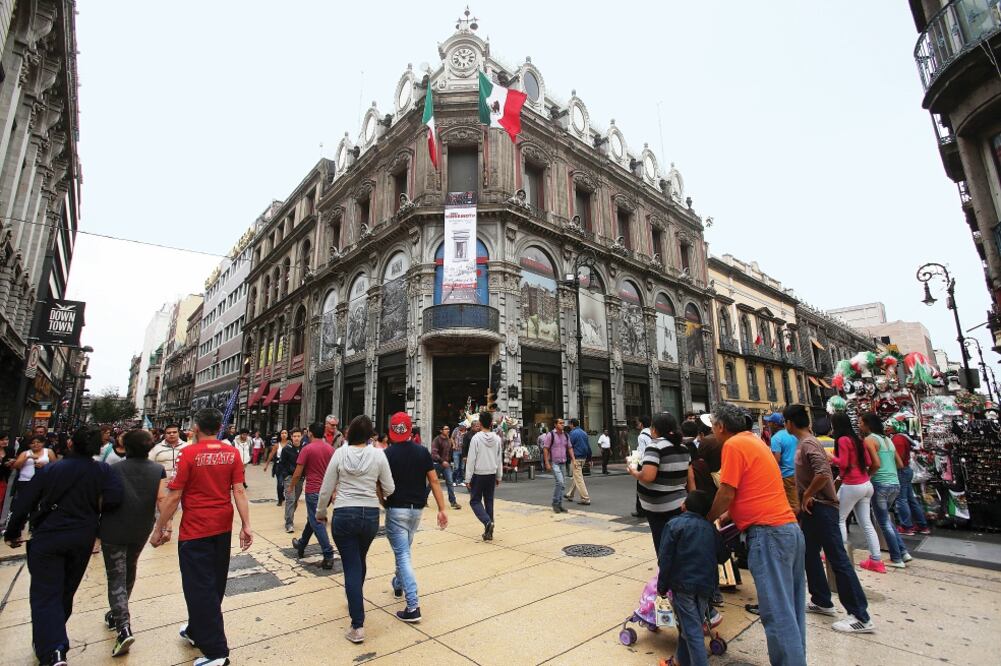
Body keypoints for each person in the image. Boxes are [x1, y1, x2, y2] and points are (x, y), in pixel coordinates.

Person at [3, 425, 123, 666]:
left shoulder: (51, 470)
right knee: (66, 590)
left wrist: (13, 532)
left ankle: (53, 650)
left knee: (45, 593)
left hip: (48, 535)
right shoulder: (103, 471)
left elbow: (25, 503)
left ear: (70, 444)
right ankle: (52, 641)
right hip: (82, 537)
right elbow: (114, 499)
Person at [149, 408, 252, 666]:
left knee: (198, 586)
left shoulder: (189, 454)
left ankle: (217, 652)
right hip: (222, 527)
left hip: (196, 529)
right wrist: (246, 525)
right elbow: (238, 490)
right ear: (220, 427)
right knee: (213, 582)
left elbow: (174, 496)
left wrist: (159, 527)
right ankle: (197, 629)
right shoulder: (231, 453)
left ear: (195, 428)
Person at [707, 403, 805, 666]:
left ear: (721, 427)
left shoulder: (733, 445)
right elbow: (749, 488)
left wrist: (707, 519)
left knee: (776, 612)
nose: (713, 431)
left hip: (768, 532)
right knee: (791, 610)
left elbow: (726, 491)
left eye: (713, 426)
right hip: (788, 530)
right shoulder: (754, 441)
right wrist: (730, 514)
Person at [785, 404, 874, 634]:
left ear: (789, 423)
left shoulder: (808, 443)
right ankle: (822, 599)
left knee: (837, 559)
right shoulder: (805, 443)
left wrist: (808, 494)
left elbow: (823, 472)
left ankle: (860, 616)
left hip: (822, 508)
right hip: (813, 511)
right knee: (808, 553)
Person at [316, 415, 395, 644]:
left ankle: (357, 624)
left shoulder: (339, 454)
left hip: (344, 513)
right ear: (371, 434)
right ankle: (355, 599)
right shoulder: (379, 455)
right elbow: (389, 487)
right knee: (359, 560)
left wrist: (321, 512)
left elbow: (326, 487)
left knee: (351, 565)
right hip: (369, 515)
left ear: (349, 433)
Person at [99, 429, 168, 656]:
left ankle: (123, 627)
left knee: (115, 575)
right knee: (130, 568)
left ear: (126, 448)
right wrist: (164, 527)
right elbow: (161, 499)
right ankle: (118, 612)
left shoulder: (112, 469)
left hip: (114, 528)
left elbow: (101, 500)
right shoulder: (158, 470)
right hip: (141, 528)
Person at [383, 412, 449, 622]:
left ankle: (413, 606)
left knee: (403, 555)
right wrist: (442, 508)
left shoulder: (387, 454)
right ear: (410, 429)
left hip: (396, 509)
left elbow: (378, 484)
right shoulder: (422, 452)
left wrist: (383, 501)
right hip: (415, 511)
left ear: (392, 432)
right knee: (404, 551)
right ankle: (398, 584)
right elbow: (435, 481)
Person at [656, 490, 728, 666]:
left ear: (683, 506)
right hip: (705, 587)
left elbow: (664, 559)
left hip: (682, 586)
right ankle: (680, 661)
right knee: (688, 625)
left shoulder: (674, 525)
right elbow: (723, 556)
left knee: (693, 630)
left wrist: (662, 586)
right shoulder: (710, 529)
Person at [829, 412, 884, 573]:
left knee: (838, 519)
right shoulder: (858, 440)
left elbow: (843, 463)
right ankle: (876, 560)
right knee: (866, 523)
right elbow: (868, 462)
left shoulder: (843, 440)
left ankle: (839, 555)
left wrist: (831, 457)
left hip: (852, 485)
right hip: (866, 484)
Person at [628, 412, 688, 553]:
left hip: (659, 508)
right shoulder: (683, 447)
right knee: (678, 542)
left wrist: (634, 472)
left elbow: (648, 476)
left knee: (662, 543)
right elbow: (689, 478)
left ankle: (666, 572)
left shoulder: (655, 447)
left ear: (655, 429)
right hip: (680, 503)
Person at [860, 413, 911, 568]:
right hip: (894, 483)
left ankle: (896, 558)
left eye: (861, 423)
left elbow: (874, 463)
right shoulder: (888, 439)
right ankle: (903, 552)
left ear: (868, 424)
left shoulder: (869, 440)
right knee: (886, 520)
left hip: (880, 483)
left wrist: (868, 476)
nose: (860, 426)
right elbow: (900, 464)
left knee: (883, 522)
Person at [290, 423, 338, 569]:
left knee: (317, 521)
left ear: (310, 433)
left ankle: (328, 554)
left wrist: (291, 487)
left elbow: (298, 472)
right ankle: (301, 544)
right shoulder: (330, 449)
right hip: (327, 491)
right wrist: (335, 490)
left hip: (313, 490)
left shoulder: (307, 449)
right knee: (312, 518)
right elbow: (337, 471)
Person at [465, 410, 503, 540]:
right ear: (491, 423)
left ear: (480, 423)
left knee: (475, 501)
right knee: (489, 501)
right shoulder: (497, 439)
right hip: (491, 473)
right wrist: (499, 475)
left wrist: (467, 478)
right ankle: (489, 532)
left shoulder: (476, 438)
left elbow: (471, 459)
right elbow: (499, 459)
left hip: (478, 473)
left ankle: (487, 522)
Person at [890, 420, 930, 536]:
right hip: (906, 470)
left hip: (901, 471)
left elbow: (899, 458)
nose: (887, 428)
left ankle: (907, 526)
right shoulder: (903, 437)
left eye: (889, 426)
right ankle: (922, 525)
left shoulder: (898, 439)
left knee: (901, 499)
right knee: (910, 499)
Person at [766, 412, 799, 514]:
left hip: (786, 476)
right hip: (797, 473)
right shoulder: (793, 434)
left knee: (793, 506)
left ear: (775, 424)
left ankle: (796, 527)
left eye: (769, 422)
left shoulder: (776, 438)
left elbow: (776, 460)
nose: (768, 425)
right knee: (798, 500)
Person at [541, 417, 574, 513]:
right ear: (555, 425)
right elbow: (545, 449)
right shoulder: (550, 435)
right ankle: (555, 503)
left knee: (562, 485)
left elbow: (570, 448)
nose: (562, 424)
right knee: (559, 482)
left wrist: (574, 459)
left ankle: (559, 504)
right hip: (555, 462)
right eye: (560, 423)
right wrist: (547, 462)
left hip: (563, 463)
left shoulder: (566, 436)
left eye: (563, 423)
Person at [279, 429, 306, 533]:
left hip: (300, 477)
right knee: (290, 499)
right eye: (294, 436)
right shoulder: (286, 449)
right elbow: (282, 463)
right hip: (289, 477)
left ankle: (288, 516)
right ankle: (289, 524)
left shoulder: (305, 447)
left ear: (301, 436)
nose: (296, 438)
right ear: (291, 437)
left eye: (298, 436)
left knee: (295, 500)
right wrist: (285, 476)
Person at [431, 424, 461, 509]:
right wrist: (442, 461)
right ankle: (424, 499)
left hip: (446, 464)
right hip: (437, 464)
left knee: (450, 482)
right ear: (441, 431)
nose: (448, 430)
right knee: (432, 484)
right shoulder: (437, 440)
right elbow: (434, 453)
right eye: (446, 429)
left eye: (448, 429)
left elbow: (449, 451)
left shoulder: (448, 439)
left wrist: (449, 461)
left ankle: (453, 502)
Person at [564, 418, 591, 505]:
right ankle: (570, 494)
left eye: (569, 424)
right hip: (583, 457)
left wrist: (567, 457)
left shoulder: (572, 433)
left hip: (576, 458)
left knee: (578, 478)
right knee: (577, 476)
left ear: (572, 424)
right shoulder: (584, 433)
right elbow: (588, 446)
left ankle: (585, 498)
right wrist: (589, 459)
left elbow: (569, 446)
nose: (569, 426)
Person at [631, 416, 652, 518]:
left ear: (642, 424)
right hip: (653, 461)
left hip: (644, 463)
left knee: (640, 488)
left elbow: (642, 453)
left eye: (638, 423)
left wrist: (636, 464)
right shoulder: (653, 433)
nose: (637, 424)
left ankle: (641, 510)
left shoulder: (642, 436)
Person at [264, 429, 290, 505]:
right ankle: (280, 499)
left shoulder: (290, 444)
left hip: (288, 466)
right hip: (279, 466)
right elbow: (271, 454)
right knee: (280, 483)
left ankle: (285, 496)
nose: (284, 434)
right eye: (282, 433)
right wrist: (266, 465)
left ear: (288, 435)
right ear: (280, 435)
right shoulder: (277, 445)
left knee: (287, 483)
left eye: (285, 433)